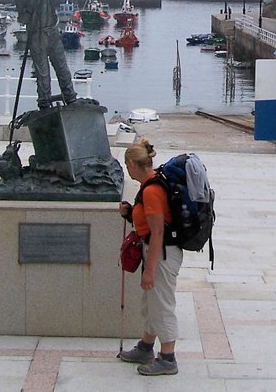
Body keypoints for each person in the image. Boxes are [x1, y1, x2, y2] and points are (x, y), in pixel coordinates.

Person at [117, 139, 182, 376]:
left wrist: (150, 271)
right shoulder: (149, 184)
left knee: (162, 304)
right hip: (157, 252)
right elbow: (148, 224)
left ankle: (168, 357)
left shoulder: (153, 190)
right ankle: (146, 346)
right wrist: (129, 214)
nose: (126, 169)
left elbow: (158, 232)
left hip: (162, 255)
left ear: (134, 163)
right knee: (150, 304)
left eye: (127, 164)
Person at [13, 0, 76, 109]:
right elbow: (22, 19)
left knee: (62, 69)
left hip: (52, 33)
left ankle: (70, 97)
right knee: (43, 74)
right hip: (36, 37)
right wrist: (29, 10)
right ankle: (44, 102)